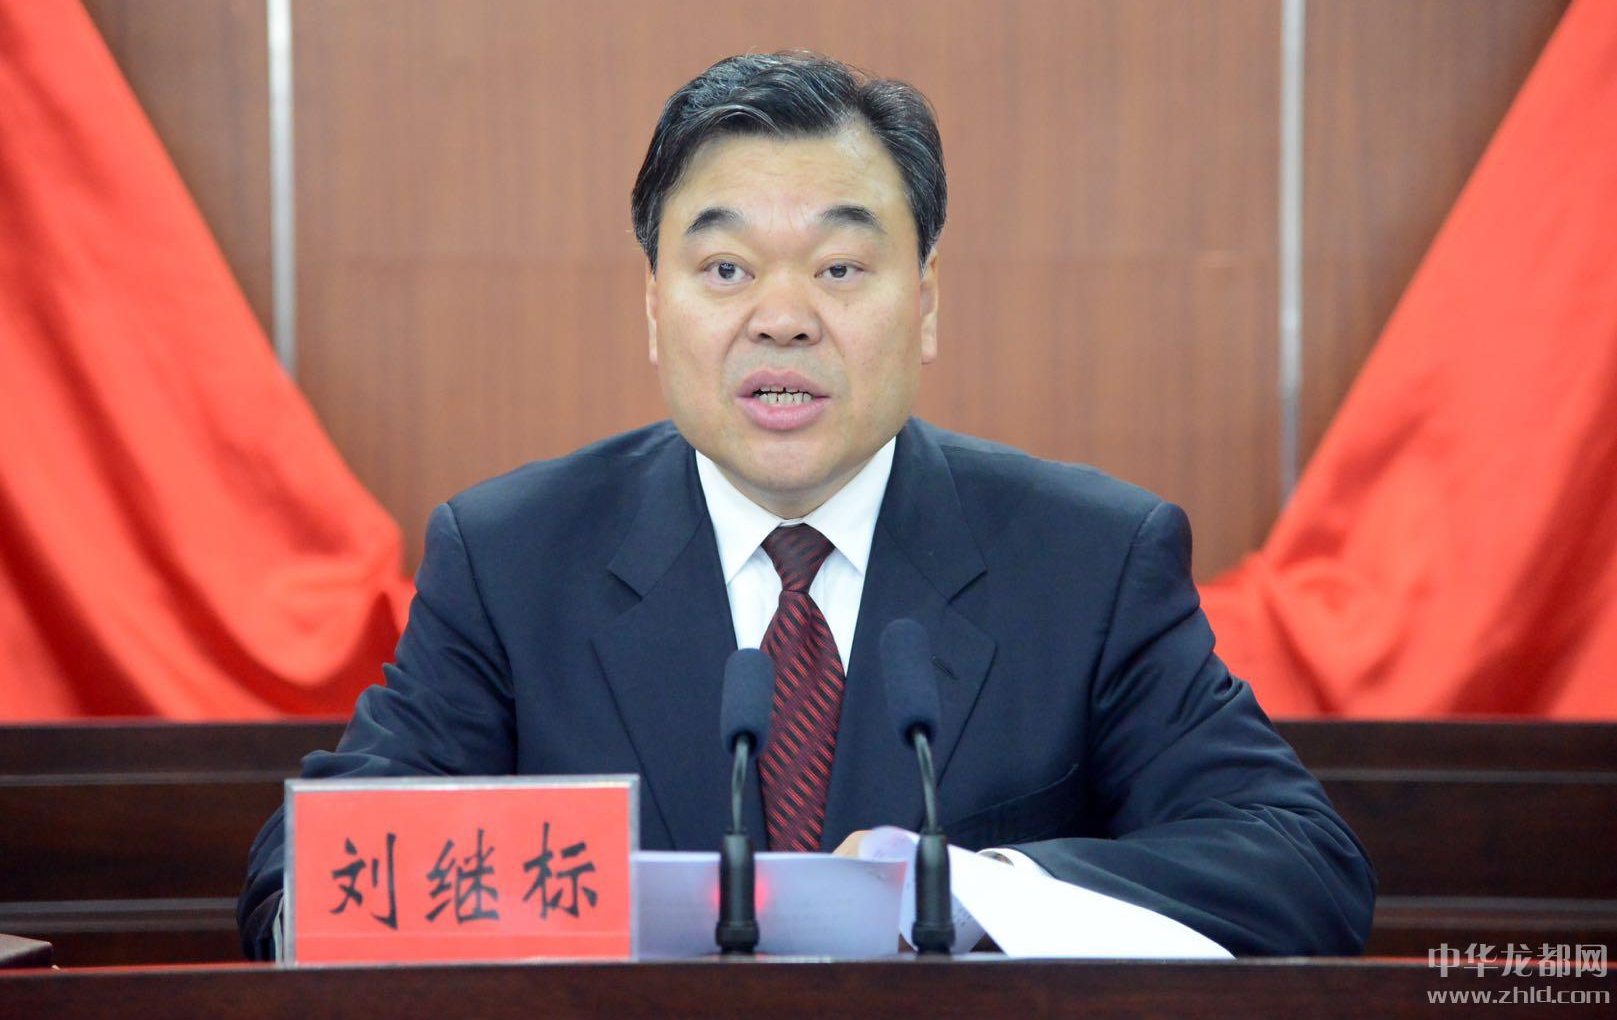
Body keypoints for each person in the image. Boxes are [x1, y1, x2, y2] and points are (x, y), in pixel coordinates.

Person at [238, 51, 1374, 959]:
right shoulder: (511, 560)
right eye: (725, 270)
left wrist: (973, 891)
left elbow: (1299, 866)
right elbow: (308, 873)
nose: (781, 318)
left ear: (925, 303)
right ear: (654, 309)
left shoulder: (1089, 562)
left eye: (839, 269)